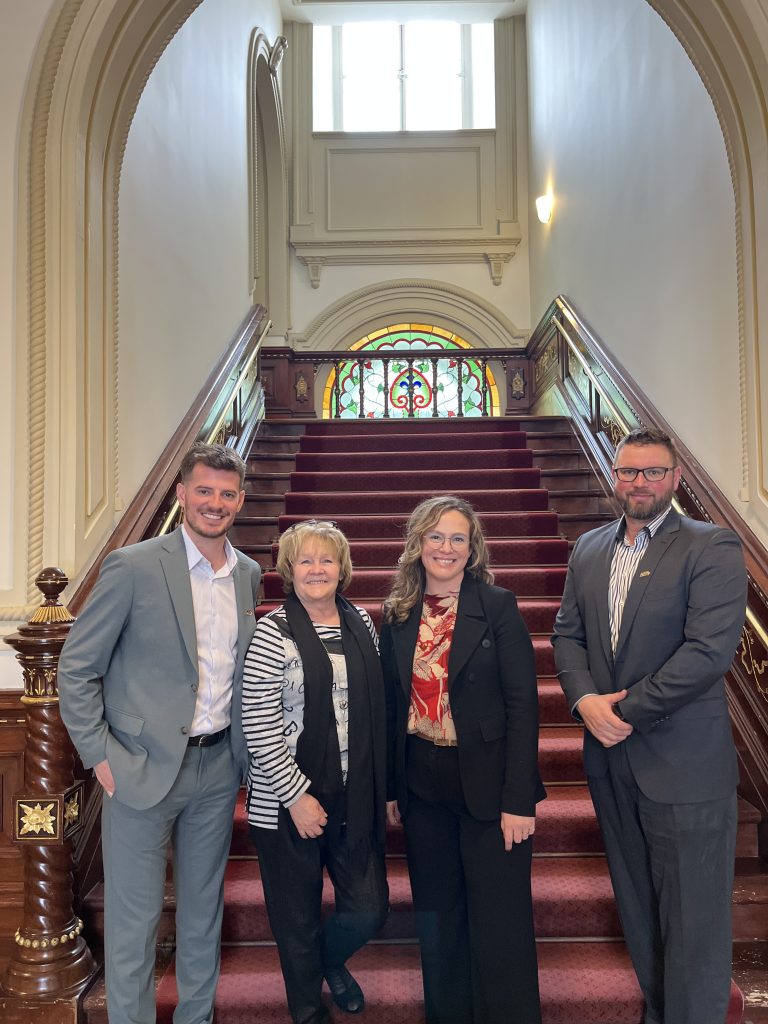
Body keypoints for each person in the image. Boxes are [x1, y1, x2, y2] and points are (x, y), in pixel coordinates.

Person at [58, 442, 261, 1024]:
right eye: (204, 491)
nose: (214, 504)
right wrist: (100, 755)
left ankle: (197, 1018)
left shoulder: (247, 575)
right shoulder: (134, 565)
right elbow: (77, 667)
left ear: (241, 501)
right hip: (139, 768)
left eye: (226, 494)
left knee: (202, 917)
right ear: (181, 494)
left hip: (218, 768)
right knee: (134, 922)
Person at [552, 427, 747, 1024]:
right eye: (628, 471)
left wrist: (621, 711)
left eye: (652, 472)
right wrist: (585, 702)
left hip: (683, 765)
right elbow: (567, 635)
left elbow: (708, 652)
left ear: (675, 479)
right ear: (614, 476)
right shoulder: (587, 548)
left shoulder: (710, 547)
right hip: (611, 764)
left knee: (693, 923)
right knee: (638, 909)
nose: (639, 483)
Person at [380, 495, 544, 1024]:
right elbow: (388, 706)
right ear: (417, 544)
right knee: (438, 918)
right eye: (435, 537)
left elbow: (523, 705)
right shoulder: (399, 614)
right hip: (422, 785)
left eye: (457, 538)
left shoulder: (497, 605)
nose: (445, 548)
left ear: (471, 549)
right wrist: (390, 789)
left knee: (501, 923)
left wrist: (519, 798)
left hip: (491, 787)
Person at [242, 519, 388, 1024]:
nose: (317, 569)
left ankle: (329, 963)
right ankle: (308, 1011)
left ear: (342, 568)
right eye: (306, 560)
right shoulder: (272, 630)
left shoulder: (361, 622)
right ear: (289, 570)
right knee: (297, 922)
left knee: (368, 909)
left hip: (355, 795)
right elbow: (257, 721)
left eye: (327, 559)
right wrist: (295, 797)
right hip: (287, 804)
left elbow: (378, 710)